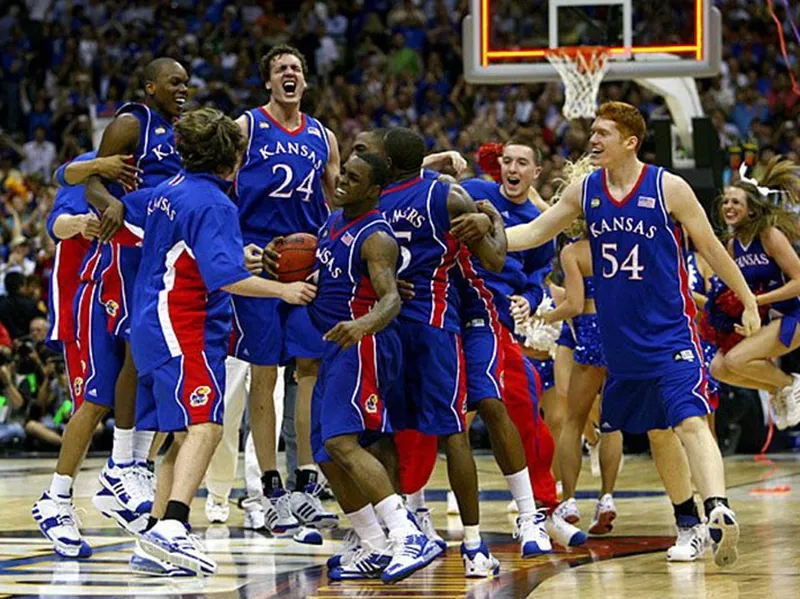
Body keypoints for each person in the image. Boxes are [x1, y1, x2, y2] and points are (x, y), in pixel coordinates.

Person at [505, 101, 759, 567]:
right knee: (660, 433)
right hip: (621, 343)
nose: (593, 140)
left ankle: (717, 506)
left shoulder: (669, 187)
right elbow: (535, 232)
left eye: (603, 133)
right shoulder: (586, 191)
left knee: (690, 421)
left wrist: (747, 299)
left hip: (670, 334)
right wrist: (489, 234)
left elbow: (711, 248)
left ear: (630, 141)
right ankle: (688, 524)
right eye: (593, 133)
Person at [119, 107, 316, 576]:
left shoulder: (169, 190)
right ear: (235, 160)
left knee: (181, 435)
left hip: (150, 322)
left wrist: (238, 256)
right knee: (207, 426)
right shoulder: (215, 204)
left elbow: (187, 251)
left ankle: (152, 537)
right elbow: (227, 278)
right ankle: (174, 526)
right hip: (182, 326)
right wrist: (283, 289)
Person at [290, 151, 437, 583]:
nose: (341, 182)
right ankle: (372, 544)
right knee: (324, 453)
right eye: (342, 174)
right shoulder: (332, 222)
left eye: (353, 178)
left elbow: (391, 299)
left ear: (374, 189)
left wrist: (362, 324)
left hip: (364, 344)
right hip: (335, 345)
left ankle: (407, 533)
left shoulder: (377, 236)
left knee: (341, 442)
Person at [378, 127, 507, 577]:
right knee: (454, 434)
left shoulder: (370, 202)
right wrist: (495, 219)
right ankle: (473, 546)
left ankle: (399, 539)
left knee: (388, 436)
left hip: (388, 327)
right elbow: (494, 260)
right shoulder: (447, 197)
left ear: (387, 163)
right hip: (435, 328)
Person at [451, 137, 586, 549]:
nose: (512, 167)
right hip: (451, 312)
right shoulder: (473, 191)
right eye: (507, 160)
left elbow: (533, 280)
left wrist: (526, 301)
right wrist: (438, 159)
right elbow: (408, 183)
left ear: (535, 172)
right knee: (437, 417)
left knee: (526, 410)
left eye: (522, 162)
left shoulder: (540, 224)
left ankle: (541, 512)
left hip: (495, 323)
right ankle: (409, 511)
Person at [231, 44, 340, 537]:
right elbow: (218, 187)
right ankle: (270, 490)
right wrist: (237, 250)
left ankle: (305, 483)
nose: (290, 73)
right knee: (263, 376)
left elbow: (339, 202)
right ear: (269, 82)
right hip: (259, 261)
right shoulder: (247, 126)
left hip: (306, 267)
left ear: (305, 80)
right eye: (281, 69)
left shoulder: (324, 136)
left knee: (310, 370)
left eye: (296, 67)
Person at [30, 150, 146, 558]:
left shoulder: (163, 164)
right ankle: (56, 499)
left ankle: (122, 475)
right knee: (92, 402)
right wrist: (79, 224)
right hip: (85, 300)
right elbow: (56, 224)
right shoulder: (92, 167)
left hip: (132, 297)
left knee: (149, 392)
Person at [709, 157, 800, 428]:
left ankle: (790, 383)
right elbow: (730, 290)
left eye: (736, 202)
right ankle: (777, 390)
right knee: (718, 368)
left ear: (751, 210)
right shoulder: (733, 245)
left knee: (737, 359)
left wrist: (757, 301)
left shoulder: (769, 235)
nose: (729, 206)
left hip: (794, 313)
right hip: (769, 318)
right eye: (726, 201)